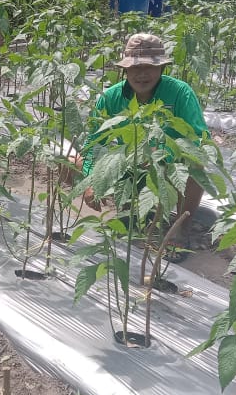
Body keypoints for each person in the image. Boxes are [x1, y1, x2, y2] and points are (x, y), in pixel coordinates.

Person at [78, 33, 208, 248]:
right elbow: (94, 142)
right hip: (130, 166)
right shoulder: (111, 97)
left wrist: (161, 154)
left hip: (170, 166)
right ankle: (136, 215)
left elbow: (199, 139)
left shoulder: (179, 93)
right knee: (75, 162)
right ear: (125, 70)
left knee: (197, 166)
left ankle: (180, 228)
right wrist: (92, 181)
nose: (142, 74)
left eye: (149, 67)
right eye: (135, 68)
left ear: (162, 68)